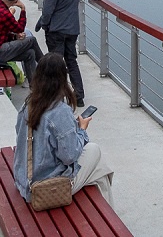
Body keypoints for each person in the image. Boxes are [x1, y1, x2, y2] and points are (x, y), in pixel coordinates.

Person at [13, 53, 114, 205]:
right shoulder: (60, 110)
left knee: (100, 173)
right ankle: (109, 222)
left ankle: (108, 218)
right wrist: (81, 129)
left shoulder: (28, 105)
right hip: (45, 188)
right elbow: (69, 156)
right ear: (62, 78)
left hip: (24, 180)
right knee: (94, 151)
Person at [35, 0, 102, 107]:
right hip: (72, 30)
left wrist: (44, 26)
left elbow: (47, 12)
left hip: (56, 31)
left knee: (56, 65)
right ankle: (79, 96)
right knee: (71, 61)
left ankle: (57, 97)